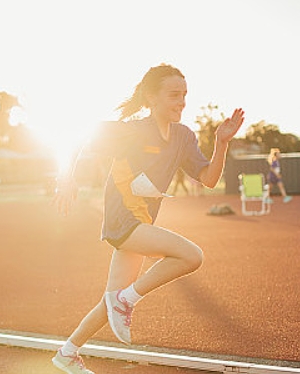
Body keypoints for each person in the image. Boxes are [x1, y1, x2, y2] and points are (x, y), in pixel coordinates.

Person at [51, 64, 244, 374]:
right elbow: (78, 138)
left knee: (109, 302)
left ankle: (67, 353)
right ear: (152, 97)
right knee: (191, 255)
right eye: (173, 95)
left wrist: (222, 143)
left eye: (184, 95)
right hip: (123, 221)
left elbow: (208, 178)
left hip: (142, 223)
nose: (181, 101)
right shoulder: (132, 130)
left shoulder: (183, 136)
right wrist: (66, 178)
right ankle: (126, 300)